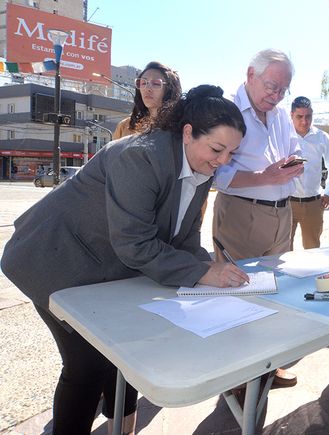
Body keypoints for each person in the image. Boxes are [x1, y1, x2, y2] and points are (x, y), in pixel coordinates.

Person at [0, 85, 248, 435]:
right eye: (218, 149)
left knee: (122, 352)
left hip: (104, 268)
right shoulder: (140, 156)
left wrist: (213, 269)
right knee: (86, 365)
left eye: (231, 153)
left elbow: (186, 238)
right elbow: (135, 243)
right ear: (188, 132)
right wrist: (202, 273)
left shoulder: (200, 167)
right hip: (53, 259)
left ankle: (122, 426)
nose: (223, 161)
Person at [212, 48, 303, 387]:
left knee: (273, 294)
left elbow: (291, 150)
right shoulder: (227, 110)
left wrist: (292, 164)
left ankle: (267, 366)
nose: (275, 95)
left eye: (283, 90)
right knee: (239, 296)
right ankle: (237, 380)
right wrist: (265, 177)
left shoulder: (279, 115)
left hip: (282, 213)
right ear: (250, 74)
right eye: (270, 85)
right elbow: (217, 173)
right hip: (241, 213)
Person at [289, 96, 329, 249]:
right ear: (291, 115)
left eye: (308, 116)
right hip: (286, 203)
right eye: (299, 117)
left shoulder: (321, 137)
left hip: (314, 203)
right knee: (281, 250)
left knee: (313, 251)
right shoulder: (283, 135)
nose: (304, 121)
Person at [114, 61, 182, 139]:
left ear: (170, 89)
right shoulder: (125, 126)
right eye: (143, 83)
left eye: (156, 84)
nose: (147, 88)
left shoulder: (181, 125)